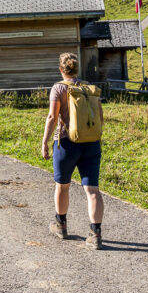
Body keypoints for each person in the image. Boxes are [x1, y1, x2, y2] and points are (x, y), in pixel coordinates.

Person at [41, 52, 104, 249]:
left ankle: (61, 225)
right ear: (77, 69)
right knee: (92, 190)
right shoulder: (89, 88)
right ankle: (95, 234)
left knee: (62, 185)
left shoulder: (58, 88)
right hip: (92, 143)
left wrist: (44, 142)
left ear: (61, 69)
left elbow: (52, 117)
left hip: (67, 144)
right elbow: (100, 116)